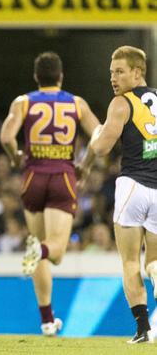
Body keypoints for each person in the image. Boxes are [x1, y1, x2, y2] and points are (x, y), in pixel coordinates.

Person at [0, 52, 100, 336]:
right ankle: (40, 250)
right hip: (62, 176)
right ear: (61, 76)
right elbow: (99, 135)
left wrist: (15, 157)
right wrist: (87, 164)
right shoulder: (76, 103)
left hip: (32, 176)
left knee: (40, 246)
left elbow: (6, 136)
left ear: (36, 77)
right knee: (54, 252)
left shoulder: (24, 101)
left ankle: (46, 320)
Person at [89, 46, 157, 344]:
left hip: (133, 186)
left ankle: (143, 329)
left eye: (120, 71)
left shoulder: (121, 102)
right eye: (111, 73)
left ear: (137, 72)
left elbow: (102, 148)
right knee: (153, 262)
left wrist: (95, 136)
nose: (114, 78)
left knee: (130, 262)